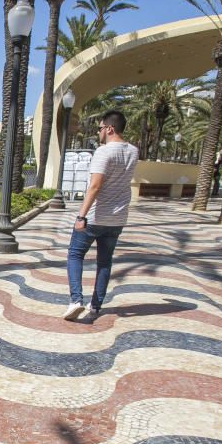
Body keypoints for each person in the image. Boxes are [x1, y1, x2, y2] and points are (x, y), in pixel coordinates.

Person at [64, 110, 139, 323]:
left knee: (75, 255)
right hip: (118, 218)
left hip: (96, 216)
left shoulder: (104, 152)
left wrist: (81, 216)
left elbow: (95, 186)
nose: (98, 133)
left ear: (109, 128)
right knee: (104, 262)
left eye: (99, 128)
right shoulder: (133, 151)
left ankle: (76, 300)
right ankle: (95, 306)